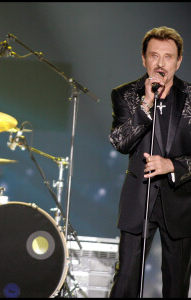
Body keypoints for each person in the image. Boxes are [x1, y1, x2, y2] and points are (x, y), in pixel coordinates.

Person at [109, 26, 191, 298]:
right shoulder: (125, 94)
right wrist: (145, 103)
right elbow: (121, 143)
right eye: (154, 56)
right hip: (138, 199)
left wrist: (173, 166)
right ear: (143, 58)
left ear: (178, 61)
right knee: (126, 280)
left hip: (180, 202)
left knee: (177, 283)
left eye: (168, 57)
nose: (160, 63)